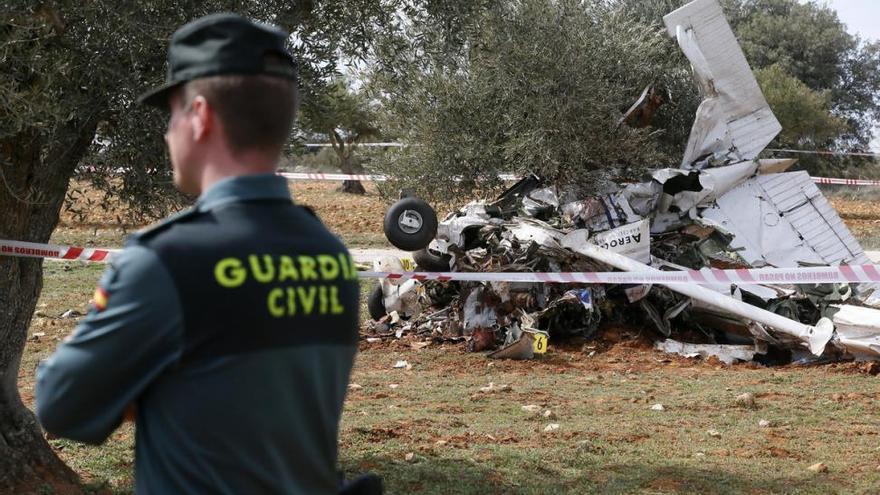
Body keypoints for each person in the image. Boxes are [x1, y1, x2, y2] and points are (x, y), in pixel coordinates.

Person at [35, 13, 362, 494]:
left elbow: (61, 404)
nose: (168, 134)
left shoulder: (165, 261)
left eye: (172, 114)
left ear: (201, 116)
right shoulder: (330, 254)